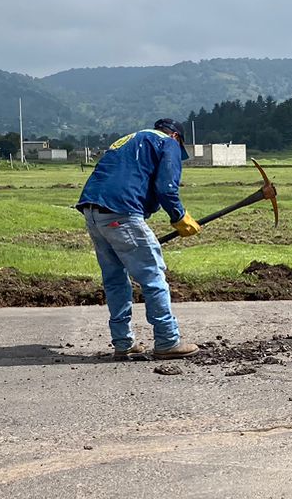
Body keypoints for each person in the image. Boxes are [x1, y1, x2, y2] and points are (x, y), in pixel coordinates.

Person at [76, 118, 202, 360]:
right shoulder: (168, 143)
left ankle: (123, 343)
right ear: (176, 136)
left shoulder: (127, 141)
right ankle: (167, 340)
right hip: (121, 212)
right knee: (153, 276)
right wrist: (179, 217)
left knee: (115, 280)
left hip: (92, 212)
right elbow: (166, 187)